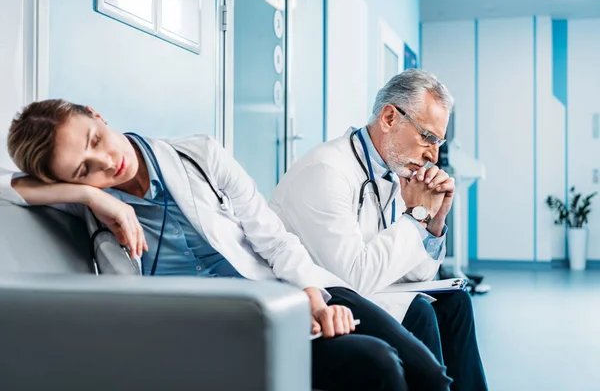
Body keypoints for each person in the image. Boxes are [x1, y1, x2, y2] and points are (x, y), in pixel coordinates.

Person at [1, 99, 454, 391]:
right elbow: (7, 187)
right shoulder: (91, 209)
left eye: (95, 141)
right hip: (238, 332)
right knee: (377, 366)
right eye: (83, 171)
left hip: (299, 290)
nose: (105, 163)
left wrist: (313, 298)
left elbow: (275, 242)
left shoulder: (199, 155)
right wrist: (92, 198)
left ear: (98, 116)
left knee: (431, 376)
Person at [270, 69, 488, 390]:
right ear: (389, 117)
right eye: (428, 137)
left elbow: (417, 275)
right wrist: (416, 216)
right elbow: (354, 279)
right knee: (420, 312)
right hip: (322, 302)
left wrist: (435, 220)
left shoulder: (389, 174)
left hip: (366, 290)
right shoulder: (327, 171)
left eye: (438, 142)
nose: (434, 155)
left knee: (456, 301)